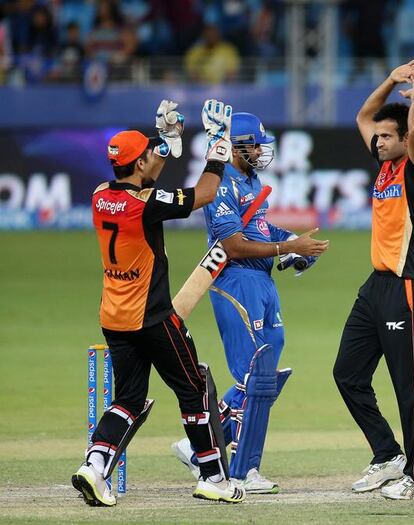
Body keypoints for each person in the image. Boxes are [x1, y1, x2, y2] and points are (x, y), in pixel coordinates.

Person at [73, 99, 245, 506]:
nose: (156, 156)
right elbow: (204, 193)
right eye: (151, 154)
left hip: (113, 316)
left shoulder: (101, 196)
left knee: (129, 398)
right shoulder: (145, 205)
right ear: (139, 166)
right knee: (195, 388)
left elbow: (144, 178)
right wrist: (218, 144)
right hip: (152, 317)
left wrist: (166, 141)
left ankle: (95, 468)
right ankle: (214, 478)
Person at [171, 111, 329, 493]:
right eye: (255, 143)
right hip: (235, 280)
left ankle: (199, 448)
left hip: (262, 281)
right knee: (252, 375)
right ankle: (242, 469)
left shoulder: (250, 178)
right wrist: (285, 246)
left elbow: (259, 228)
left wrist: (293, 245)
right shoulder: (221, 182)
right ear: (238, 146)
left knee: (266, 376)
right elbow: (231, 244)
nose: (261, 150)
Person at [333, 58, 414, 500]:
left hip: (408, 283)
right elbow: (363, 116)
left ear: (402, 141)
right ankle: (387, 454)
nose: (377, 142)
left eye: (385, 137)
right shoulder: (384, 166)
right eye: (376, 138)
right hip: (376, 286)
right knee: (347, 373)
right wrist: (390, 80)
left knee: (408, 385)